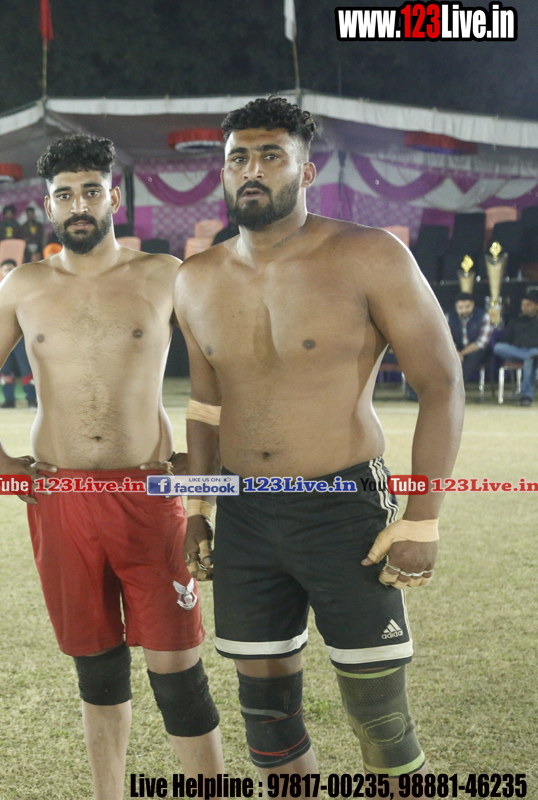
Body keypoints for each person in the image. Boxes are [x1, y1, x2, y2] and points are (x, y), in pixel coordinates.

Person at [174, 97, 463, 778]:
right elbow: (206, 407)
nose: (252, 170)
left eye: (271, 156)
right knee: (268, 723)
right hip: (245, 513)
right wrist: (197, 509)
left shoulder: (368, 255)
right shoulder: (196, 277)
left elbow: (442, 384)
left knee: (383, 725)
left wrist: (423, 518)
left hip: (342, 508)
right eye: (238, 158)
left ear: (306, 172)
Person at [0, 134, 224, 800]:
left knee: (178, 671)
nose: (78, 205)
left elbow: (220, 374)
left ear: (114, 197)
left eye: (90, 191)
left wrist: (204, 470)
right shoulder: (26, 284)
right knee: (97, 670)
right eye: (64, 195)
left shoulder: (164, 274)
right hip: (62, 498)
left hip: (149, 492)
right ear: (48, 206)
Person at [0, 260, 35, 408]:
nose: (8, 272)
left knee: (26, 368)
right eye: (5, 269)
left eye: (11, 269)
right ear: (1, 272)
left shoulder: (24, 291)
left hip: (21, 336)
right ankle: (9, 400)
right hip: (3, 337)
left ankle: (31, 399)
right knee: (5, 369)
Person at [492, 286, 538, 406]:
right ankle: (528, 356)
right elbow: (506, 339)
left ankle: (526, 396)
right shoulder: (516, 320)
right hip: (518, 351)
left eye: (528, 305)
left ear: (536, 306)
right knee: (498, 347)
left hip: (535, 350)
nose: (524, 307)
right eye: (523, 305)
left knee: (530, 359)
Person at [447, 293, 494, 383]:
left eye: (467, 307)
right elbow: (447, 340)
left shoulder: (484, 316)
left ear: (473, 304)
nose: (464, 310)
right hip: (456, 350)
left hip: (477, 351)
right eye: (460, 308)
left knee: (473, 356)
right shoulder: (449, 317)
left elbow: (481, 342)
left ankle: (458, 384)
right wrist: (456, 353)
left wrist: (462, 353)